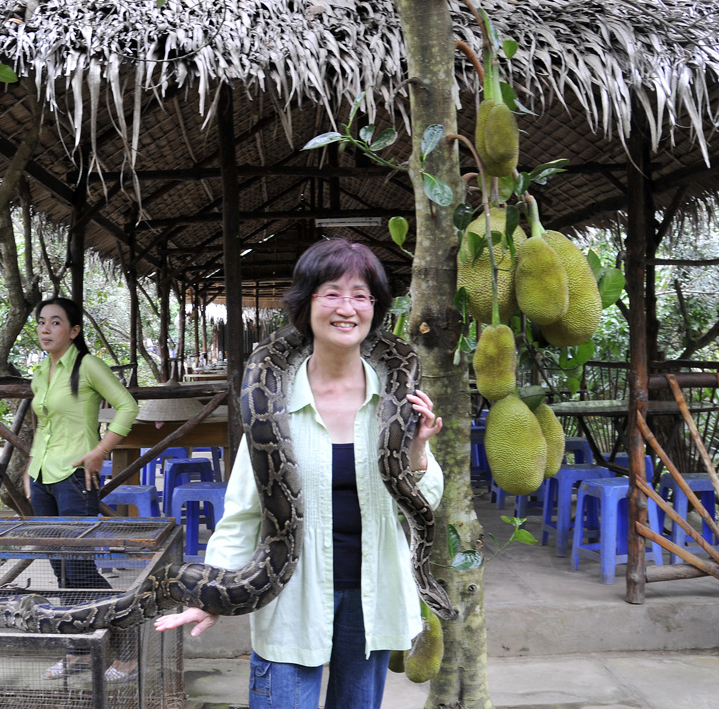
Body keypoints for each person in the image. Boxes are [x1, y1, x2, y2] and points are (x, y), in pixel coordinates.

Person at [154, 238, 444, 709]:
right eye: (332, 293)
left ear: (375, 309)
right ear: (307, 303)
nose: (346, 307)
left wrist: (418, 450)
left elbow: (423, 505)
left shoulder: (400, 402)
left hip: (372, 598)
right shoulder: (272, 404)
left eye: (361, 295)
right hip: (291, 598)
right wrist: (214, 590)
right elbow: (243, 512)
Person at [28, 296, 140, 681]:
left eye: (55, 322)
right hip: (42, 478)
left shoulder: (88, 365)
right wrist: (32, 469)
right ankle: (78, 651)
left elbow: (127, 406)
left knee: (79, 567)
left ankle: (127, 647)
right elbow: (44, 426)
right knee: (60, 568)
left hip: (76, 478)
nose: (45, 329)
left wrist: (100, 451)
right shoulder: (41, 371)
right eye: (41, 322)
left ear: (74, 330)